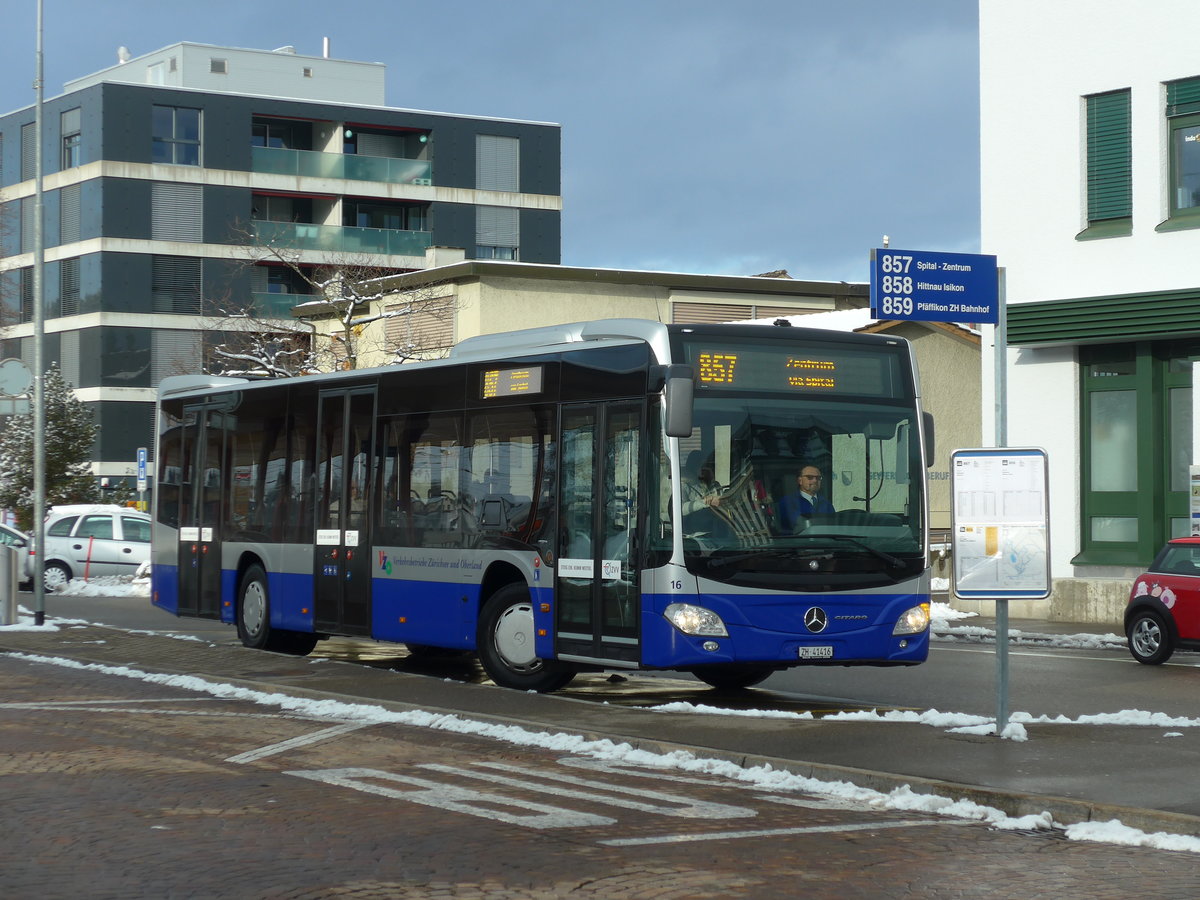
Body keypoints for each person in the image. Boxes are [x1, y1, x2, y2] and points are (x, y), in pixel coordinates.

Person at [777, 464, 835, 532]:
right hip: (798, 541)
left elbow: (833, 527)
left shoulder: (826, 504)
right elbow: (782, 530)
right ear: (800, 481)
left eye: (818, 478)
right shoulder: (787, 502)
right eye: (810, 477)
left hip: (825, 541)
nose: (815, 480)